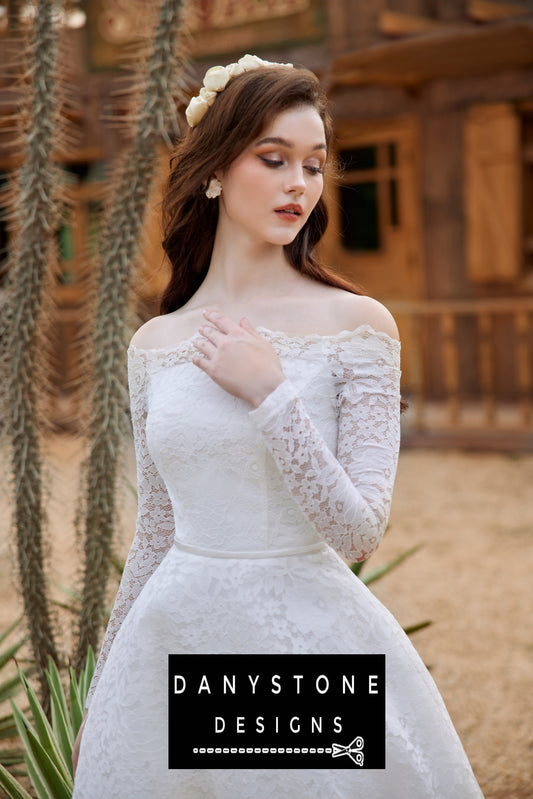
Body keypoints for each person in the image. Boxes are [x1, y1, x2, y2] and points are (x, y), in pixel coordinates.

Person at [72, 55, 484, 798]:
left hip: (304, 638)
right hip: (174, 634)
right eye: (274, 159)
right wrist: (107, 687)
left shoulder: (359, 325)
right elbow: (156, 530)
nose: (299, 183)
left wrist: (271, 395)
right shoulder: (155, 344)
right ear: (213, 170)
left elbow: (357, 532)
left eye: (314, 165)